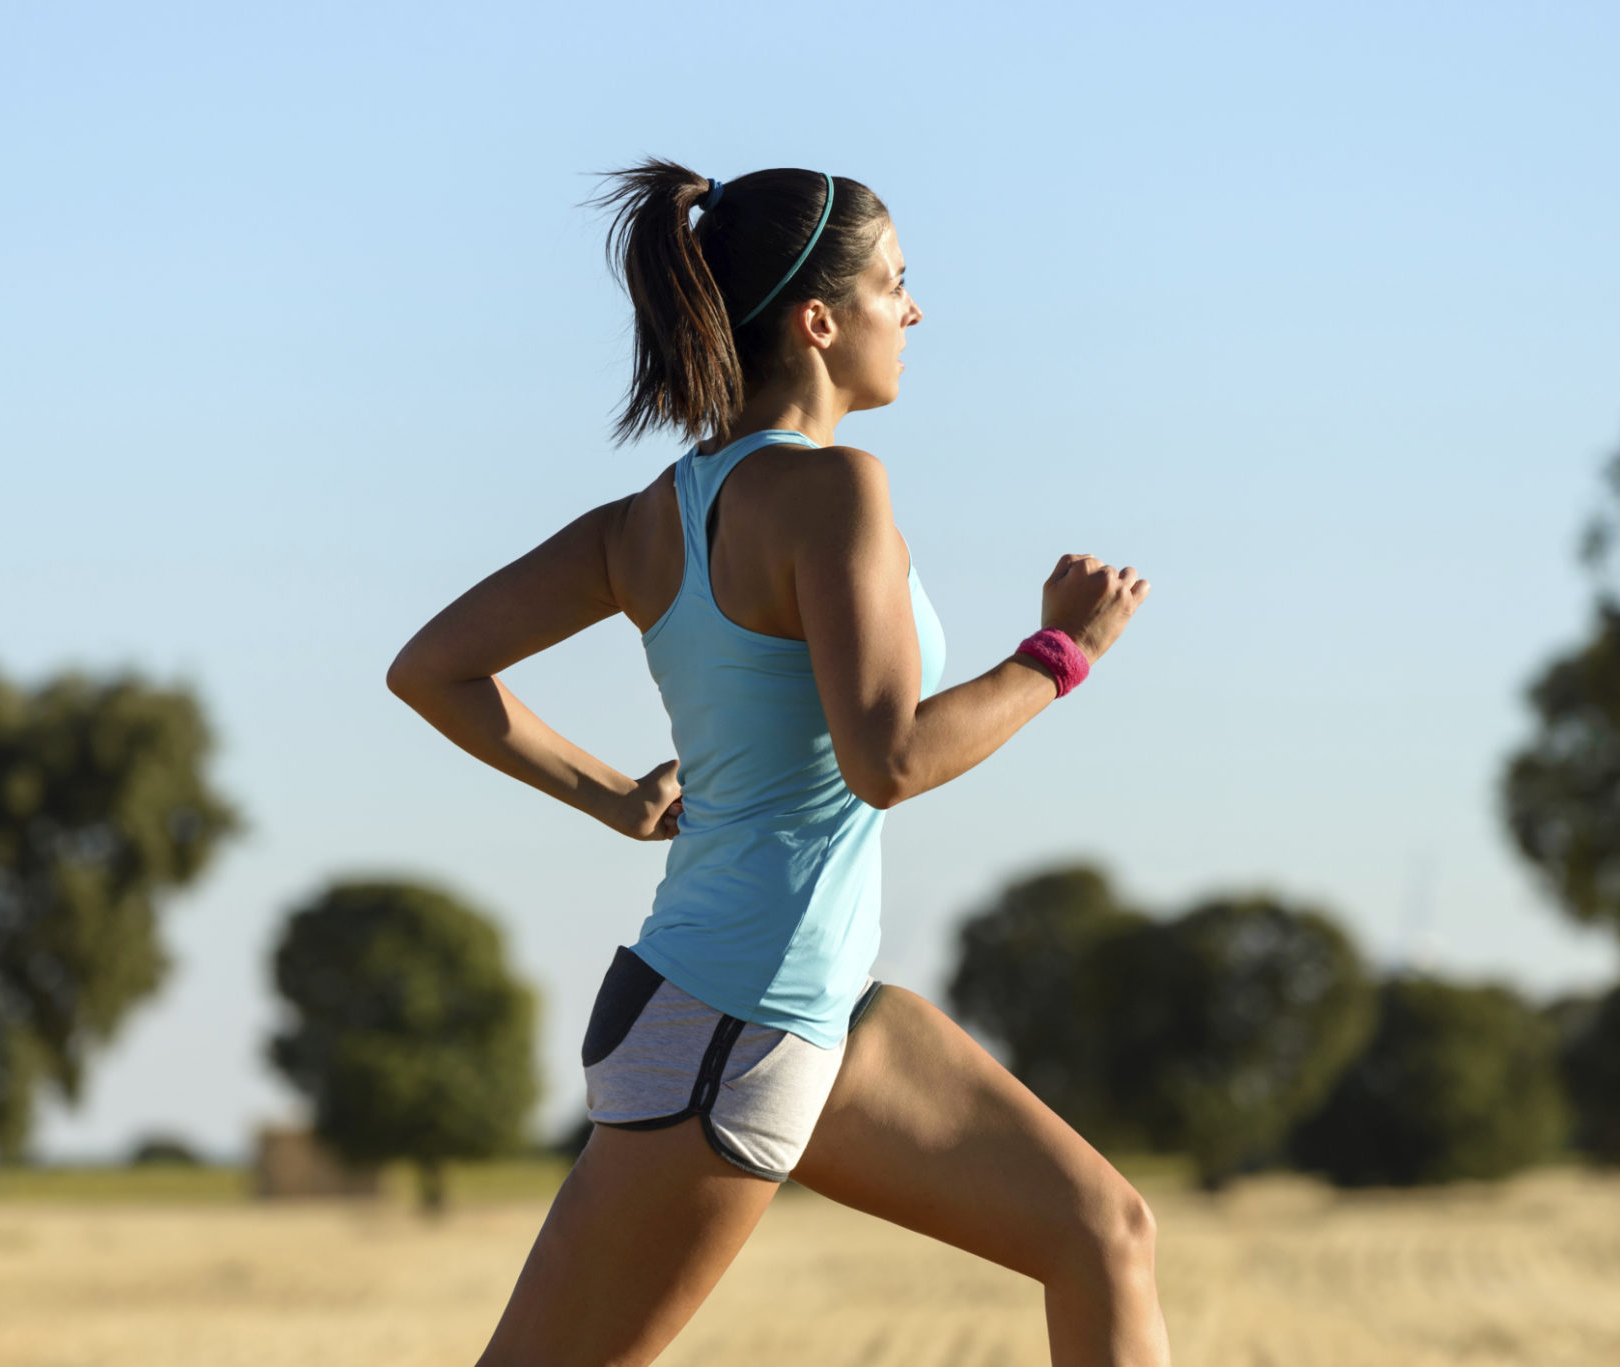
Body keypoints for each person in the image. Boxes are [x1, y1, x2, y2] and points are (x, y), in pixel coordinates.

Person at [385, 157, 1164, 1367]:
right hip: (727, 1027)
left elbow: (432, 666)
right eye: (894, 284)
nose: (912, 312)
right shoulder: (833, 491)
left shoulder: (644, 520)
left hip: (812, 1010)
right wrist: (1058, 652)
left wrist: (615, 799)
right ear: (816, 319)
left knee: (1101, 1228)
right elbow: (888, 758)